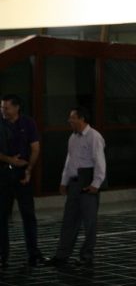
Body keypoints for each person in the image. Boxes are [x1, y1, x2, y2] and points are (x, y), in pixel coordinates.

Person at [47, 107, 106, 267]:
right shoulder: (72, 137)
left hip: (87, 182)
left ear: (82, 118)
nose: (69, 121)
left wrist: (96, 184)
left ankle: (86, 256)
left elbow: (99, 162)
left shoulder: (94, 136)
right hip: (74, 182)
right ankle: (62, 255)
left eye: (72, 118)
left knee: (89, 222)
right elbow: (69, 161)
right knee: (69, 220)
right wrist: (64, 181)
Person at [0, 94, 44, 268]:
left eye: (6, 107)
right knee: (2, 216)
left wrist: (28, 170)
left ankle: (34, 253)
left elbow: (35, 148)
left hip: (22, 174)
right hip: (3, 173)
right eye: (2, 107)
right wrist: (10, 160)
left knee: (28, 215)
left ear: (16, 107)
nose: (3, 110)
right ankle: (3, 254)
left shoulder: (28, 123)